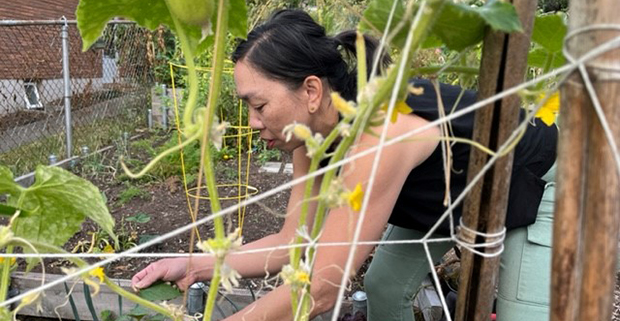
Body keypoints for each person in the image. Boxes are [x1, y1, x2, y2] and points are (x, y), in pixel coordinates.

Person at [131, 9, 558, 321]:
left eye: (258, 105)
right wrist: (193, 264)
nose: (252, 121)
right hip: (449, 195)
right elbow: (291, 243)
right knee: (385, 286)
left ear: (311, 91)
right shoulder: (308, 137)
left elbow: (323, 286)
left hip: (534, 185)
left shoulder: (379, 133)